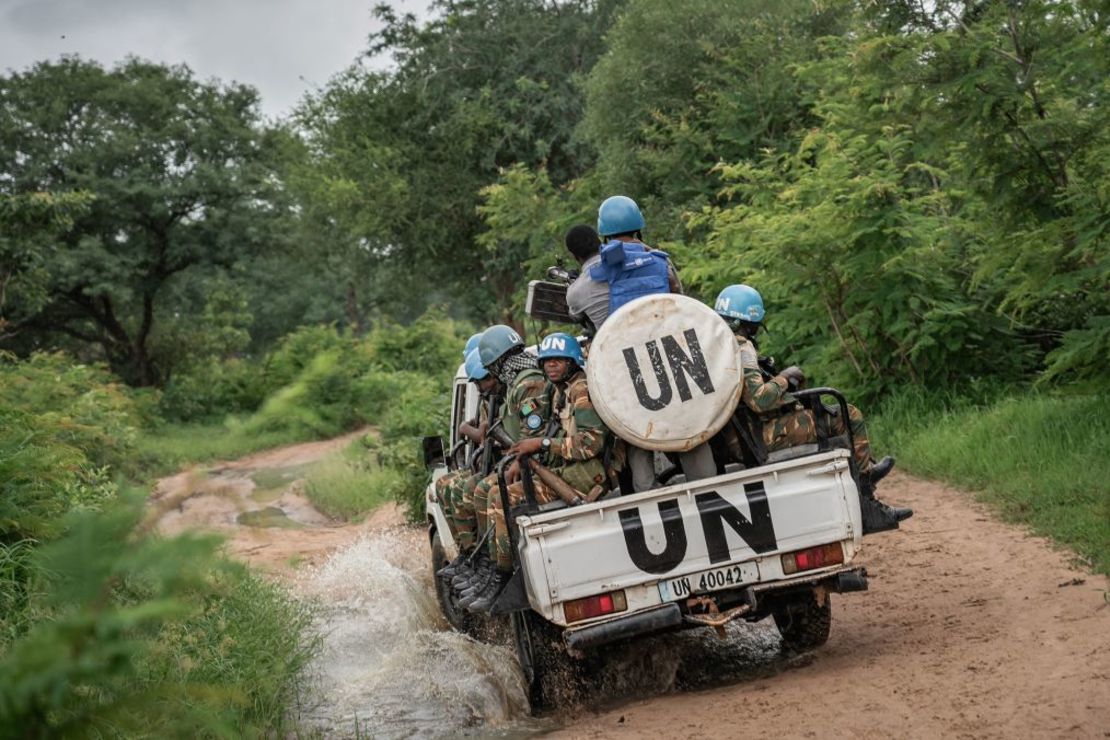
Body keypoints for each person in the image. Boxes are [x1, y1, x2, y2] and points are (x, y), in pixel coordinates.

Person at [713, 284, 911, 532]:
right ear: (751, 322)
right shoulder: (740, 347)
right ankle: (867, 501)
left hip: (739, 436)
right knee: (847, 415)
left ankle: (865, 477)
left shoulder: (716, 345)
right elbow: (759, 400)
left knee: (832, 413)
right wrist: (786, 377)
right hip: (754, 437)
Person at [563, 197, 716, 492]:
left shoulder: (581, 287)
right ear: (639, 228)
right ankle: (708, 488)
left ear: (603, 234)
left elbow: (577, 315)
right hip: (673, 359)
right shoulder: (660, 262)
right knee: (691, 425)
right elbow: (682, 304)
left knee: (634, 434)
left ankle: (647, 497)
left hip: (626, 371)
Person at [463, 333, 623, 612]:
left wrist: (542, 443)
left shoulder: (580, 392)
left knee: (501, 499)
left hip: (588, 475)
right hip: (572, 469)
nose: (551, 366)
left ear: (573, 361)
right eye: (547, 361)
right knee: (495, 491)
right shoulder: (563, 390)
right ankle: (493, 570)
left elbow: (591, 444)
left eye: (558, 360)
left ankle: (502, 577)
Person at [447, 325, 551, 596]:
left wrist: (518, 462)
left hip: (538, 462)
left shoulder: (528, 384)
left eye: (492, 368)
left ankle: (500, 573)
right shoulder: (516, 384)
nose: (491, 376)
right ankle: (487, 566)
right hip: (526, 459)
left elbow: (534, 432)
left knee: (492, 493)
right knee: (484, 491)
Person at [434, 348, 503, 574]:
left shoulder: (508, 394)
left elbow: (486, 435)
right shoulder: (491, 397)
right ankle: (470, 554)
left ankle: (487, 561)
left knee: (479, 491)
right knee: (445, 484)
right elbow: (484, 427)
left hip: (502, 463)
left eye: (483, 381)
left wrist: (468, 429)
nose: (481, 387)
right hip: (493, 462)